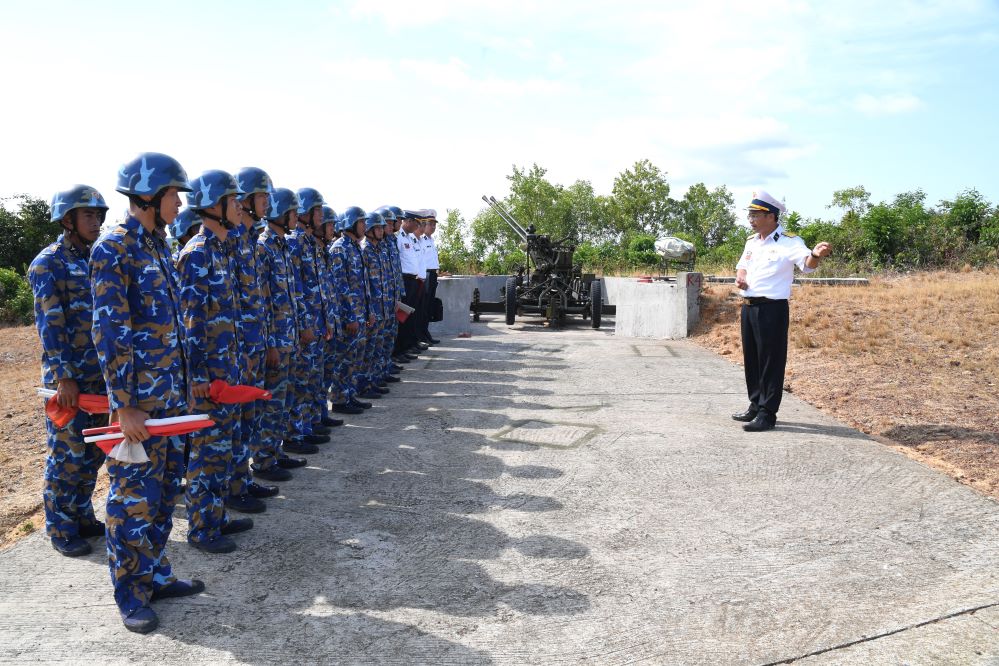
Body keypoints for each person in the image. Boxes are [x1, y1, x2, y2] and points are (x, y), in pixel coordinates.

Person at [90, 152, 203, 633]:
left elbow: (173, 327)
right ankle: (131, 595)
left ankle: (155, 574)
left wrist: (185, 387)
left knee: (164, 494)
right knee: (133, 500)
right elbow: (109, 332)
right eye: (174, 194)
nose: (180, 202)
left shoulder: (158, 245)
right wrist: (124, 405)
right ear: (149, 195)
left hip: (170, 399)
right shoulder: (114, 249)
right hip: (140, 405)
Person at [28, 185, 109, 558]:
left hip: (99, 376)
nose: (96, 222)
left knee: (93, 452)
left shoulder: (97, 258)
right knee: (67, 454)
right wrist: (64, 377)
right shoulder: (49, 262)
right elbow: (50, 324)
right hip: (69, 380)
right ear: (68, 220)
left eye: (99, 215)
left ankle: (82, 516)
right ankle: (61, 527)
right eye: (88, 215)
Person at [176, 169, 253, 553]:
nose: (240, 207)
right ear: (213, 205)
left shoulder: (222, 250)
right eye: (234, 200)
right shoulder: (197, 254)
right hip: (209, 378)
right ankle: (202, 529)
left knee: (223, 450)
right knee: (207, 453)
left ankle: (216, 515)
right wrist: (199, 376)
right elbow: (192, 321)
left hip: (228, 370)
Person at [732, 190, 831, 432]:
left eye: (756, 215)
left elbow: (807, 265)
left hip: (772, 309)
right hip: (749, 307)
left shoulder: (789, 241)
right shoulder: (751, 242)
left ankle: (767, 414)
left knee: (771, 361)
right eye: (750, 215)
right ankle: (755, 404)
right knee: (752, 360)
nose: (751, 219)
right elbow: (742, 266)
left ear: (771, 216)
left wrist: (815, 255)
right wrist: (741, 278)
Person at [226, 166, 282, 512]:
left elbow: (262, 299)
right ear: (246, 200)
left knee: (249, 420)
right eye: (262, 196)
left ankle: (243, 481)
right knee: (234, 425)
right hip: (238, 352)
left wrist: (267, 342)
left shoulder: (250, 242)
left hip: (256, 346)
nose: (267, 203)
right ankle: (233, 489)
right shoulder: (230, 243)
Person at [256, 188, 312, 470]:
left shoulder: (284, 246)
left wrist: (301, 328)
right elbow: (263, 302)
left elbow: (294, 294)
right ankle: (264, 459)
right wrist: (270, 344)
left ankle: (276, 451)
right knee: (272, 404)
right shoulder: (263, 248)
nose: (296, 217)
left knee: (285, 399)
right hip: (276, 341)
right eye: (292, 212)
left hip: (290, 337)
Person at [330, 206, 375, 411]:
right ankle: (340, 400)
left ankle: (350, 394)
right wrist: (350, 317)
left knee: (355, 358)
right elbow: (341, 287)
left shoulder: (356, 247)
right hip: (349, 317)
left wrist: (369, 311)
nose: (365, 226)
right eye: (361, 222)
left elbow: (364, 284)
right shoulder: (339, 248)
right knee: (345, 360)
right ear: (350, 224)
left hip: (360, 314)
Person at [419, 210, 442, 345]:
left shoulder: (431, 240)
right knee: (423, 307)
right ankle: (421, 335)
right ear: (424, 224)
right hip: (425, 275)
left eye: (434, 224)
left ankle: (425, 332)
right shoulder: (420, 240)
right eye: (430, 224)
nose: (433, 227)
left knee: (429, 306)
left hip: (432, 274)